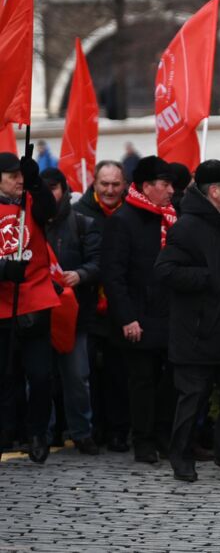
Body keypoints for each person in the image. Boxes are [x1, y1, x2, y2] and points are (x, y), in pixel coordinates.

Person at [154, 160, 220, 483]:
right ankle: (181, 456)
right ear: (214, 191)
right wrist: (209, 278)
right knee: (192, 398)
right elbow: (165, 270)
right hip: (198, 330)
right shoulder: (187, 226)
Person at [101, 155, 177, 465]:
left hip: (169, 316)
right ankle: (143, 439)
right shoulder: (123, 220)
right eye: (165, 184)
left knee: (172, 378)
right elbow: (113, 275)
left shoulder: (171, 217)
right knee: (142, 381)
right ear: (147, 187)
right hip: (139, 317)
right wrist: (127, 317)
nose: (171, 191)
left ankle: (164, 433)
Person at [0, 151, 61, 463]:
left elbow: (52, 211)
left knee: (39, 375)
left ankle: (38, 432)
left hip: (34, 298)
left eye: (20, 175)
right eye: (13, 177)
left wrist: (36, 183)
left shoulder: (30, 200)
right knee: (5, 375)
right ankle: (6, 431)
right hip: (1, 302)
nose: (18, 182)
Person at [40, 168, 102, 455]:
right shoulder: (28, 223)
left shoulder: (82, 223)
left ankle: (82, 432)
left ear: (64, 189)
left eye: (54, 188)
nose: (49, 194)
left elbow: (97, 262)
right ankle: (42, 431)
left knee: (77, 376)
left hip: (71, 315)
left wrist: (81, 274)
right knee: (38, 378)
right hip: (38, 312)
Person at [74, 159, 130, 452]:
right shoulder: (78, 214)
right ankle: (93, 429)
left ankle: (120, 431)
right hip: (89, 307)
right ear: (94, 184)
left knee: (119, 373)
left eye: (115, 184)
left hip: (122, 309)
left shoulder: (132, 212)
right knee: (89, 374)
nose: (109, 190)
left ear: (124, 185)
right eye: (104, 184)